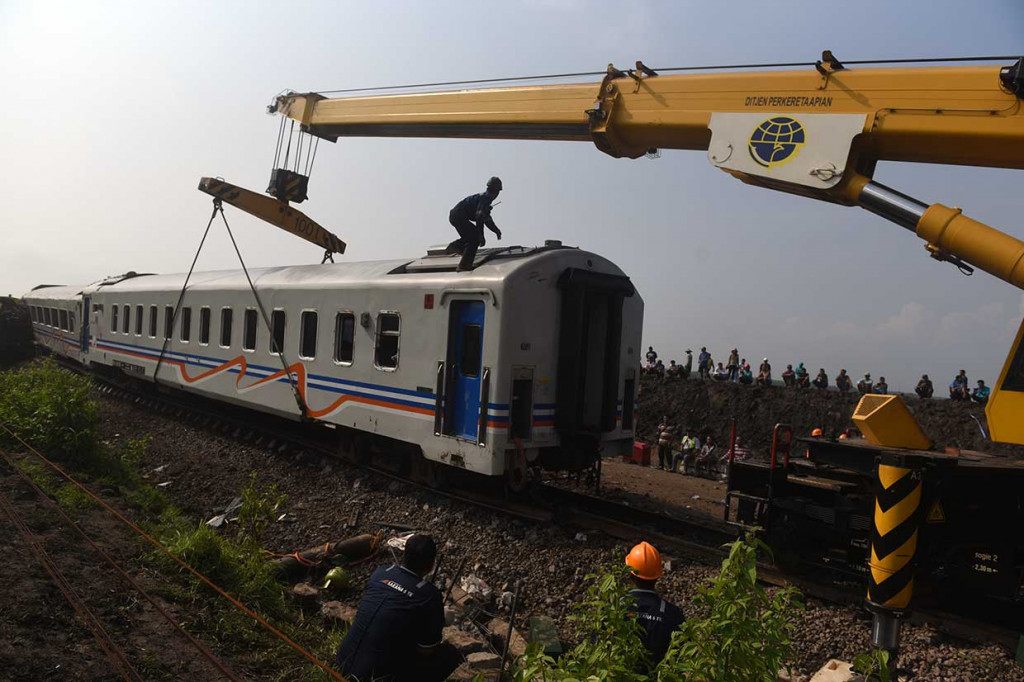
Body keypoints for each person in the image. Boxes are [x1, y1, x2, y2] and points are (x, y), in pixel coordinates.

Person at [335, 535, 462, 682]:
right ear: (431, 565)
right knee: (450, 655)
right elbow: (426, 651)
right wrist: (438, 620)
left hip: (342, 661)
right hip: (374, 677)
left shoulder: (380, 573)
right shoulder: (429, 595)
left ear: (404, 555)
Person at [625, 542, 684, 668]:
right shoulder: (672, 614)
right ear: (658, 576)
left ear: (630, 574)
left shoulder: (614, 610)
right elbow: (682, 655)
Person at [447, 177, 503, 271]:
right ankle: (464, 266)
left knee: (471, 237)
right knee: (474, 238)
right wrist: (481, 235)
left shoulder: (483, 199)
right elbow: (479, 217)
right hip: (458, 215)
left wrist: (496, 231)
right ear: (497, 192)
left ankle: (457, 247)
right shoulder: (485, 198)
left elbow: (487, 220)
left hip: (455, 215)